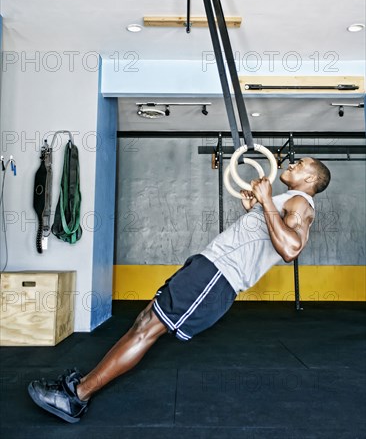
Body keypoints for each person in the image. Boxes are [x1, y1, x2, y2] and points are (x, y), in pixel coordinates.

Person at [28, 156, 331, 423]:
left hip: (217, 277)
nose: (292, 164)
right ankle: (80, 387)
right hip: (208, 268)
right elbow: (270, 233)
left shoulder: (302, 204)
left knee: (147, 329)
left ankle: (77, 397)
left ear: (310, 178)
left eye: (300, 164)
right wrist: (256, 207)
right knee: (144, 322)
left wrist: (265, 202)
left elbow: (291, 248)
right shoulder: (286, 202)